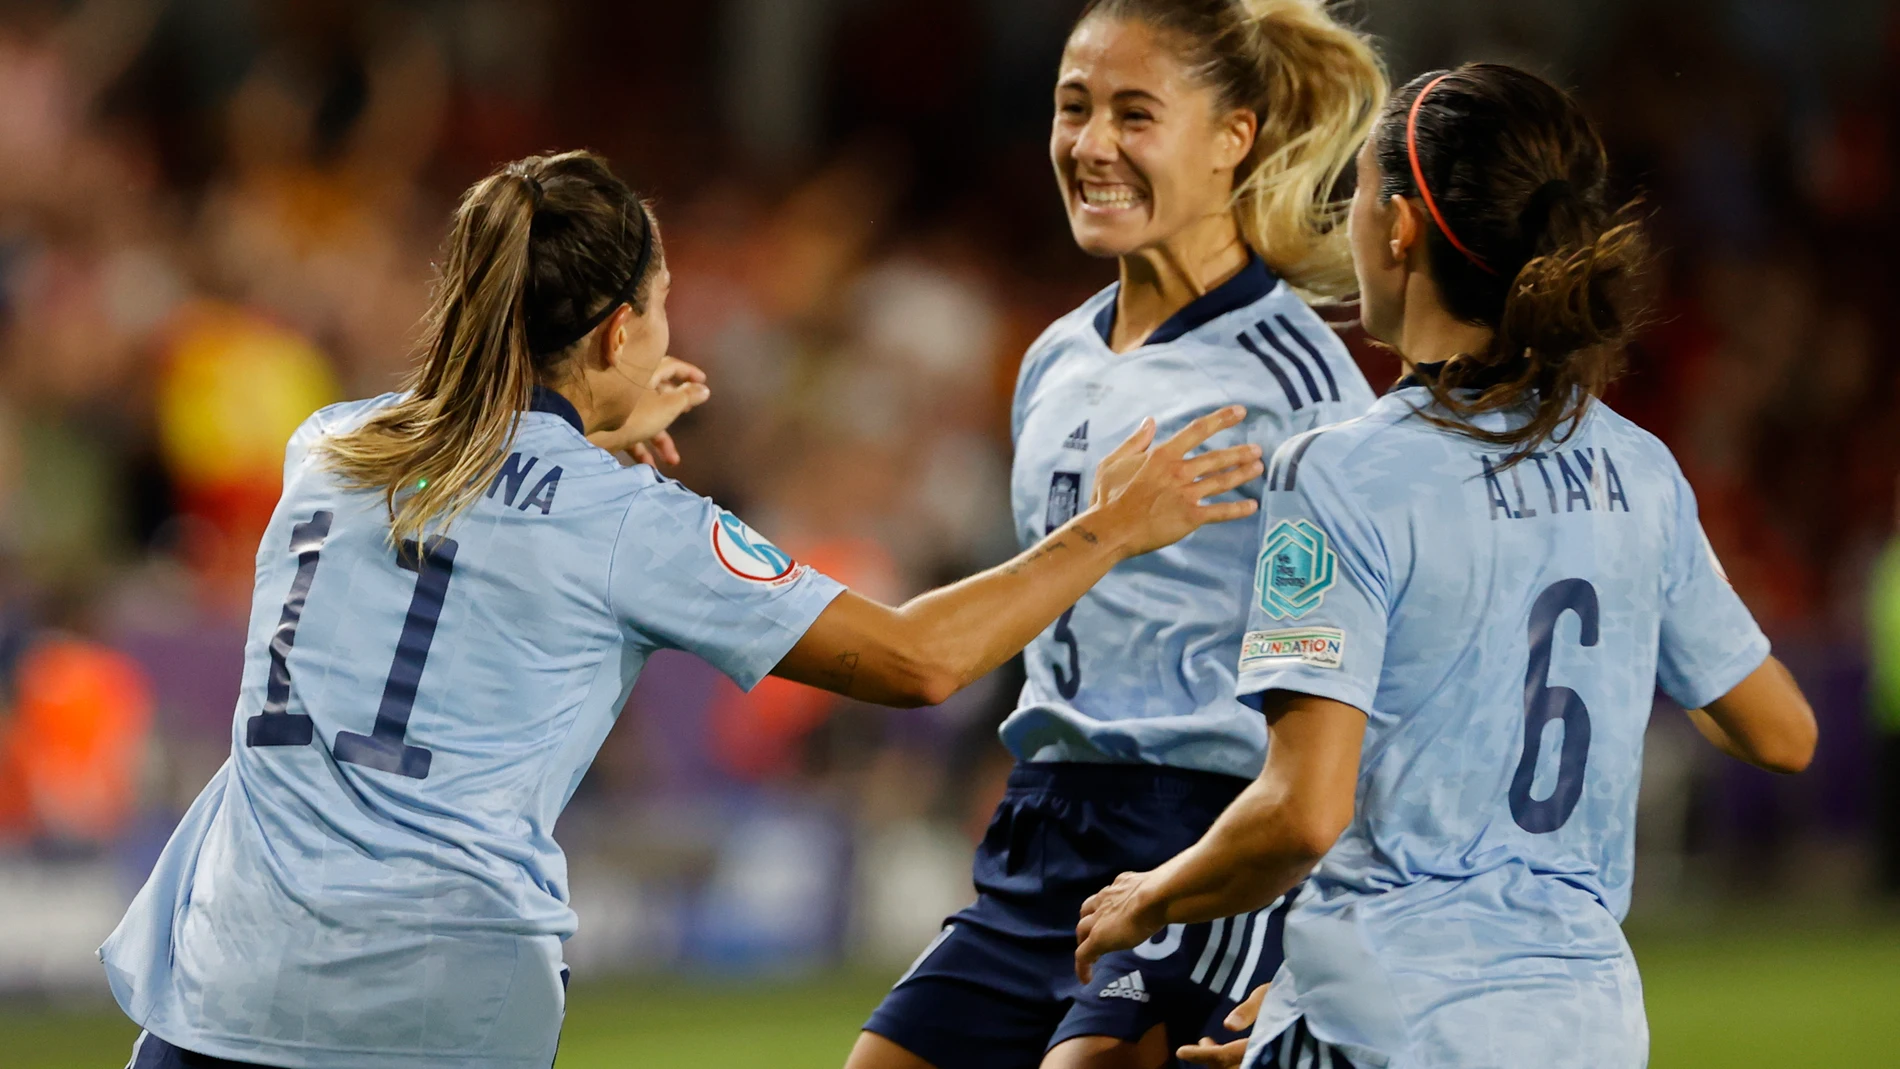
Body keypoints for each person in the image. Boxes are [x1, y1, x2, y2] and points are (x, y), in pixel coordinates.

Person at [98, 150, 1270, 1069]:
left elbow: (473, 458)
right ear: (618, 331)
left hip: (226, 970)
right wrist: (1114, 523)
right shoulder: (632, 525)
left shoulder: (325, 445)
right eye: (656, 309)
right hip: (436, 984)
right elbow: (921, 658)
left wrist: (590, 418)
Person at [1073, 64, 1819, 1069]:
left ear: (1399, 228)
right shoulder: (1638, 471)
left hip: (1389, 1022)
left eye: (1357, 191)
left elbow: (1301, 811)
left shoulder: (1340, 475)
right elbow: (1781, 732)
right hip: (1587, 1027)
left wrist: (1144, 899)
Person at [849, 3, 1384, 1069]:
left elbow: (1364, 678)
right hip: (1038, 832)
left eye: (1134, 114)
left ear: (1234, 135)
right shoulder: (1053, 357)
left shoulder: (1299, 386)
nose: (1091, 145)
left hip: (1206, 837)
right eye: (1072, 108)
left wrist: (1315, 927)